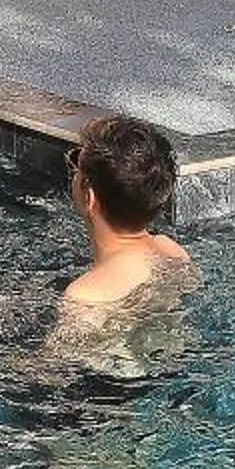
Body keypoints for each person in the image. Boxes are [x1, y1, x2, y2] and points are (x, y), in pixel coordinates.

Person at [55, 116, 196, 342]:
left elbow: (53, 372)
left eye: (76, 164)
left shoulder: (86, 295)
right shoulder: (173, 252)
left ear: (89, 197)